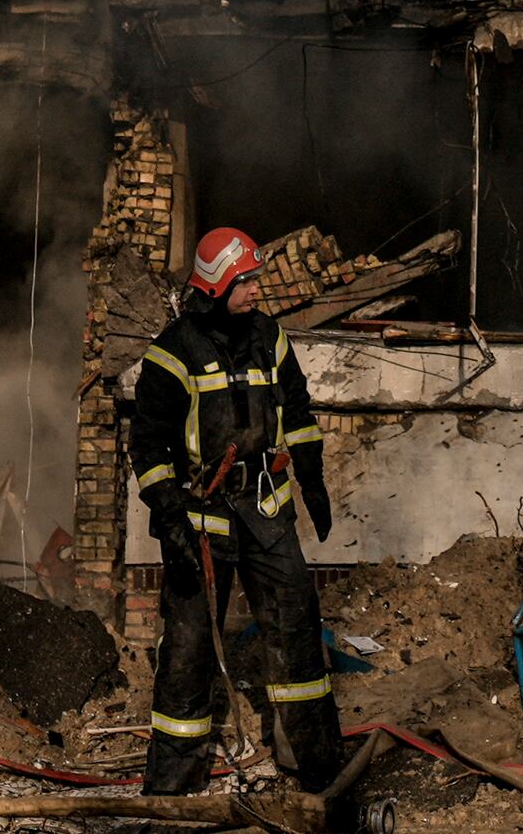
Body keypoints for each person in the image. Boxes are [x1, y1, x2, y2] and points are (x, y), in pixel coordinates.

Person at [122, 225, 349, 806]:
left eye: (254, 279)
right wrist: (170, 520)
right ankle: (174, 783)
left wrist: (313, 479)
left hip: (267, 510)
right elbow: (147, 446)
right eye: (244, 281)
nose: (255, 290)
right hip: (201, 521)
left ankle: (313, 763)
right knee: (189, 645)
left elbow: (298, 410)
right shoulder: (173, 351)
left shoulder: (270, 338)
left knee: (297, 628)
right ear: (216, 285)